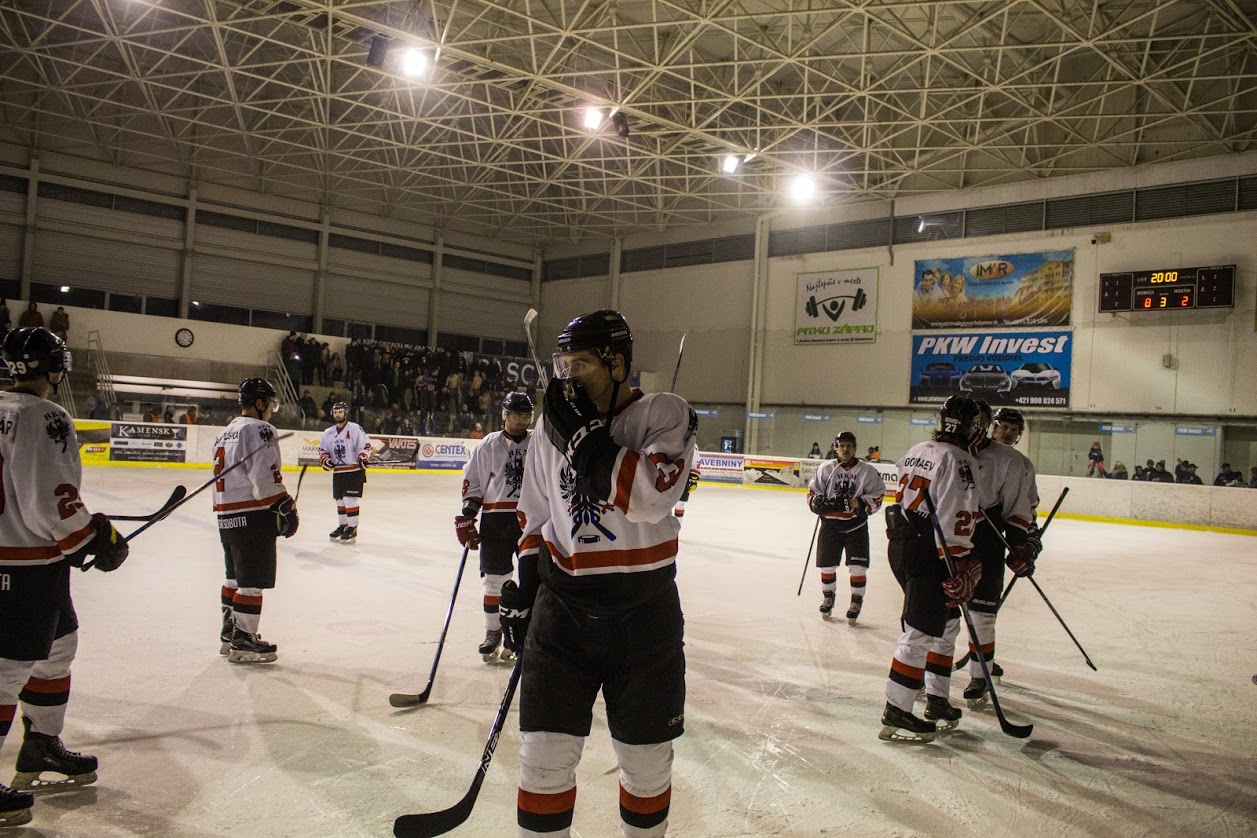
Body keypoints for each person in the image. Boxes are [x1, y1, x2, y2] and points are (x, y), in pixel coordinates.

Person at [501, 310, 697, 836]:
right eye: (563, 364)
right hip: (562, 612)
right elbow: (535, 514)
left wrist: (583, 436)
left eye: (581, 364)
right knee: (541, 760)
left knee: (646, 763)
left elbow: (647, 498)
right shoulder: (549, 427)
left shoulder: (664, 415)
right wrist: (526, 587)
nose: (567, 377)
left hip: (644, 616)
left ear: (618, 365)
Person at [0, 328, 130, 825]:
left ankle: (41, 745)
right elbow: (49, 497)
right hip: (23, 562)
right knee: (9, 668)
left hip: (31, 559)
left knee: (58, 647)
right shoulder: (44, 415)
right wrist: (91, 537)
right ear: (54, 367)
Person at [879, 394, 982, 742]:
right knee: (920, 632)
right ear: (973, 427)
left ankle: (937, 699)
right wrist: (960, 563)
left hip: (901, 543)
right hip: (932, 549)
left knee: (947, 623)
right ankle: (897, 708)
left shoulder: (918, 449)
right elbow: (955, 512)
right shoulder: (960, 459)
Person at [212, 378, 298, 664]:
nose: (272, 410)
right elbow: (264, 478)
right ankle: (244, 641)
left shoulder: (224, 433)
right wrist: (285, 506)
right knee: (251, 582)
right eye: (270, 404)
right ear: (259, 403)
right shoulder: (260, 429)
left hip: (226, 515)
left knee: (233, 578)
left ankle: (229, 634)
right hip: (252, 515)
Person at [962, 404, 1039, 707]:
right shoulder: (957, 450)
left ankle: (980, 673)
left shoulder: (1020, 464)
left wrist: (1026, 544)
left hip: (988, 539)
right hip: (956, 537)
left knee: (982, 613)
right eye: (1003, 427)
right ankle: (931, 671)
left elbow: (1025, 509)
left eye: (1013, 429)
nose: (1006, 433)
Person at [456, 392, 534, 661]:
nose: (521, 420)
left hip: (532, 521)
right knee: (494, 581)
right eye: (517, 415)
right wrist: (469, 514)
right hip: (496, 521)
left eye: (526, 415)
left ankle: (525, 635)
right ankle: (493, 632)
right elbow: (474, 482)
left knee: (532, 580)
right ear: (505, 415)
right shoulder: (489, 445)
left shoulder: (538, 443)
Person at [806, 431, 885, 623]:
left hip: (855, 526)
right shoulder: (826, 468)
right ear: (836, 448)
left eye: (849, 446)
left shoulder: (867, 471)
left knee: (858, 568)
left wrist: (860, 502)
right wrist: (816, 503)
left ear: (855, 448)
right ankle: (828, 597)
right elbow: (812, 493)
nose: (845, 449)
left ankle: (856, 601)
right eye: (841, 446)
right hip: (830, 525)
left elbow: (878, 494)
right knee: (827, 565)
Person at [318, 402, 371, 543]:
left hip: (354, 470)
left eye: (340, 412)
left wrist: (363, 456)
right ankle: (343, 525)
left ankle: (352, 528)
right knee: (340, 500)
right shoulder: (328, 433)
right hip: (339, 471)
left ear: (345, 413)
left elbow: (364, 445)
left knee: (349, 499)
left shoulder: (354, 428)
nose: (337, 414)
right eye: (335, 412)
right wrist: (325, 460)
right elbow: (323, 450)